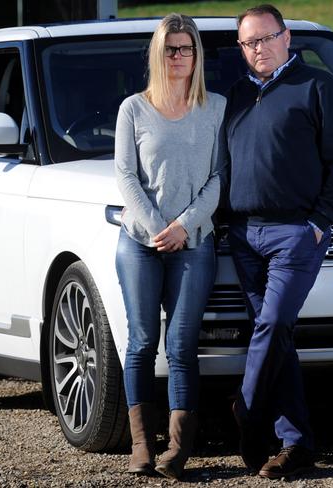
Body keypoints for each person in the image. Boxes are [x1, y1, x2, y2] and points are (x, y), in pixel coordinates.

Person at [222, 4, 333, 480]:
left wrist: (319, 221)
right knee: (277, 336)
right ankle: (295, 444)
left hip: (297, 233)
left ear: (287, 38)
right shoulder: (237, 95)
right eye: (248, 43)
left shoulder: (319, 88)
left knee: (273, 323)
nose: (257, 49)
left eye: (265, 38)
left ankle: (247, 409)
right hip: (245, 235)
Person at [114, 13, 226, 480]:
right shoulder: (133, 109)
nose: (180, 56)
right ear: (158, 55)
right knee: (141, 341)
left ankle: (178, 449)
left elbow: (218, 177)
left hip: (195, 241)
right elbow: (125, 175)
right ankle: (142, 443)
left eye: (187, 48)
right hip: (139, 243)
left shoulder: (216, 107)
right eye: (171, 49)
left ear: (197, 55)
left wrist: (183, 226)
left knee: (181, 345)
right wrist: (160, 226)